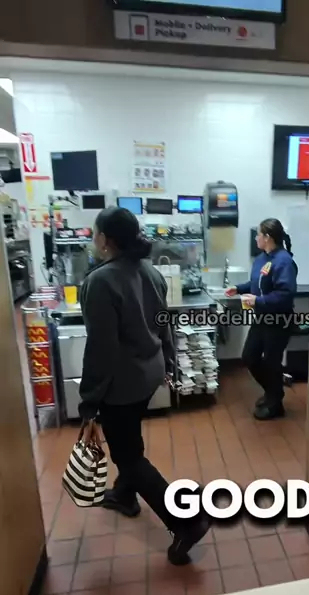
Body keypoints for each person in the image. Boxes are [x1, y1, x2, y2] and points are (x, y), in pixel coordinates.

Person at [79, 206, 209, 566]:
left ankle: (186, 522)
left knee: (128, 456)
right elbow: (163, 324)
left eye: (95, 233)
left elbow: (101, 349)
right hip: (149, 374)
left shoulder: (100, 282)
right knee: (128, 437)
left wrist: (89, 401)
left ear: (105, 239)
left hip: (121, 383)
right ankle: (124, 494)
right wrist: (169, 361)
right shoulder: (150, 271)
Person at [226, 218, 297, 420]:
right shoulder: (261, 259)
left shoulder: (284, 261)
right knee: (249, 357)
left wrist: (259, 300)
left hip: (279, 321)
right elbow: (256, 283)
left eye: (258, 234)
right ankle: (273, 393)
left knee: (272, 362)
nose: (256, 238)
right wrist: (239, 288)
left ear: (267, 237)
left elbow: (285, 294)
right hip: (262, 319)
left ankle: (275, 404)